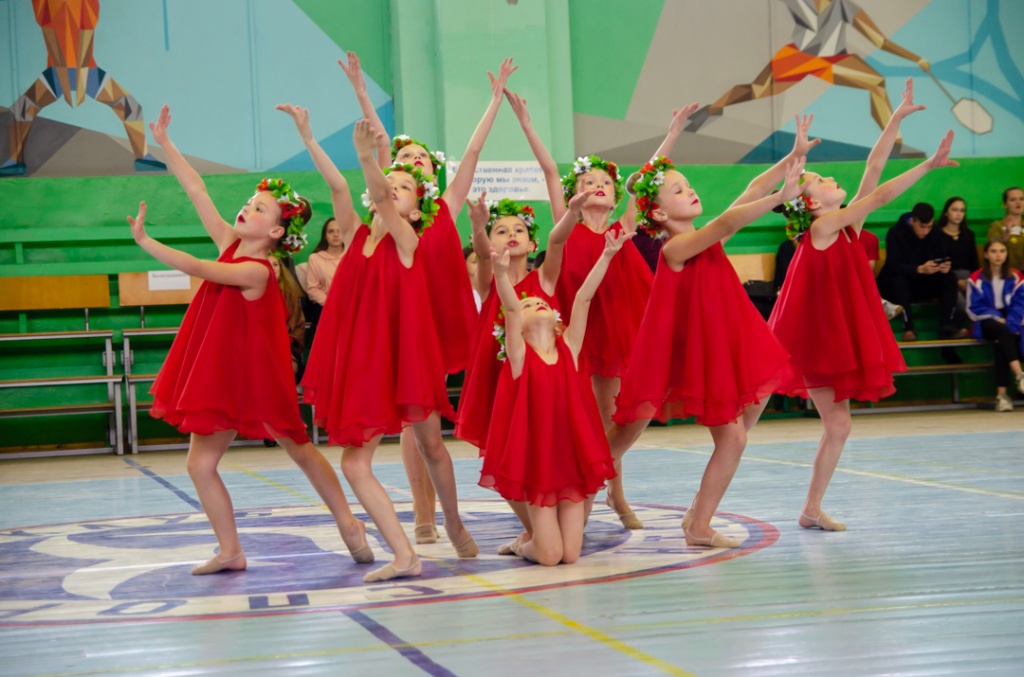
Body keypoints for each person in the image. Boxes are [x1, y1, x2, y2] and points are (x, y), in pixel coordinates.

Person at [132, 105, 372, 575]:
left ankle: (349, 523)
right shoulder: (230, 243)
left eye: (260, 208)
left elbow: (197, 267)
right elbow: (198, 190)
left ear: (277, 231)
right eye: (249, 201)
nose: (248, 207)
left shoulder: (257, 270)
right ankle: (230, 551)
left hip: (259, 375)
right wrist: (167, 145)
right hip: (222, 374)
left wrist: (146, 242)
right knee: (199, 465)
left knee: (298, 448)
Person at [763, 80, 958, 532]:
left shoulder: (846, 227)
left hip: (828, 342)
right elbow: (882, 194)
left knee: (839, 427)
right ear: (811, 203)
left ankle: (811, 509)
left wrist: (895, 118)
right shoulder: (821, 228)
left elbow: (874, 168)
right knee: (746, 418)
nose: (831, 179)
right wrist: (927, 164)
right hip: (806, 343)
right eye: (820, 180)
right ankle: (705, 506)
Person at [341, 52, 514, 545]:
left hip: (434, 321)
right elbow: (377, 143)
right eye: (405, 158)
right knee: (409, 424)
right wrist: (361, 90)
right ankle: (424, 512)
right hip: (393, 319)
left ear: (429, 177)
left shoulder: (442, 206)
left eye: (420, 159)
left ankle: (448, 517)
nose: (412, 160)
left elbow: (473, 151)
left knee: (426, 428)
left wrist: (494, 100)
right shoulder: (389, 207)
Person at [301, 119, 479, 582]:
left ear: (417, 210)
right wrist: (308, 137)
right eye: (391, 181)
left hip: (407, 360)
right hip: (365, 363)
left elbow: (379, 196)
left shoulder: (408, 240)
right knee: (354, 462)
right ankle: (404, 554)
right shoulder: (356, 236)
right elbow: (339, 187)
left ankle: (452, 522)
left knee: (432, 445)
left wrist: (368, 157)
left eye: (405, 186)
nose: (394, 188)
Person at [610, 137, 806, 548]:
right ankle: (698, 524)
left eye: (688, 185)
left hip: (731, 343)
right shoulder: (677, 247)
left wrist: (792, 157)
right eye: (678, 190)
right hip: (703, 356)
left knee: (755, 403)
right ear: (659, 213)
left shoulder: (703, 239)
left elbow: (749, 191)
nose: (690, 191)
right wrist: (780, 197)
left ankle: (696, 513)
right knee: (732, 439)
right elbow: (729, 221)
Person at [479, 227, 622, 566]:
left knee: (570, 556)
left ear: (558, 323)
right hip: (538, 463)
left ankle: (533, 541)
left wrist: (607, 255)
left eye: (542, 302)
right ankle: (523, 545)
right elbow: (509, 308)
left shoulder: (570, 348)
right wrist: (501, 274)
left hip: (573, 458)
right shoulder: (518, 357)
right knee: (550, 556)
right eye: (529, 304)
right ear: (516, 327)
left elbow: (584, 298)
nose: (538, 303)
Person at [877, 201, 965, 341]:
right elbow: (893, 265)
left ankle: (947, 326)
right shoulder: (895, 233)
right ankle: (909, 328)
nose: (925, 231)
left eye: (929, 227)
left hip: (924, 283)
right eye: (922, 227)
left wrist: (944, 266)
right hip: (899, 287)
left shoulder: (936, 232)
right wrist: (918, 269)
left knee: (950, 278)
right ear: (912, 221)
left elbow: (943, 255)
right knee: (899, 279)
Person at [966, 239, 1024, 412]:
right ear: (986, 254)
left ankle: (1002, 396)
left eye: (1002, 251)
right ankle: (1020, 375)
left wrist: (1011, 323)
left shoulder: (1016, 277)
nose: (998, 255)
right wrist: (998, 317)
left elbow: (1020, 304)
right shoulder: (975, 278)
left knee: (1002, 341)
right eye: (993, 251)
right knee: (1001, 331)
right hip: (986, 320)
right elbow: (973, 307)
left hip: (1011, 319)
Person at [935, 196, 979, 314]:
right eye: (954, 210)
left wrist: (972, 281)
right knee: (961, 304)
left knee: (979, 301)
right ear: (946, 212)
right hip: (946, 277)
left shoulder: (969, 235)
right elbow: (937, 262)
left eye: (962, 210)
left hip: (968, 277)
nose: (958, 214)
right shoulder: (937, 234)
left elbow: (974, 262)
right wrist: (956, 281)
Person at [304, 217, 345, 327]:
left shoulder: (354, 257)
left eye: (339, 231)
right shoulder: (315, 258)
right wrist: (331, 304)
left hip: (351, 308)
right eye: (331, 231)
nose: (335, 235)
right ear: (325, 236)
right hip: (326, 308)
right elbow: (313, 289)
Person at [987, 187, 1024, 272]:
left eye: (1021, 199)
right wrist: (1006, 232)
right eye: (1013, 200)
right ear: (1005, 204)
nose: (1018, 202)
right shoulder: (996, 226)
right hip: (1006, 273)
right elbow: (993, 250)